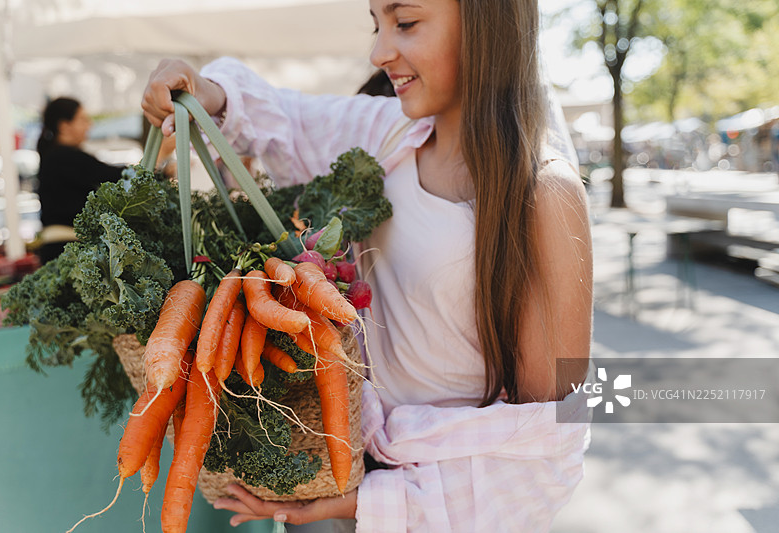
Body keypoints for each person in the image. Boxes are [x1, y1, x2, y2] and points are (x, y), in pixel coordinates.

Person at [142, 1, 594, 531]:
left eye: (405, 23)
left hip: (441, 511)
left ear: (486, 22)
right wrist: (201, 86)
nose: (379, 51)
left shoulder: (546, 193)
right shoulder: (389, 134)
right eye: (375, 24)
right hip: (344, 473)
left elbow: (549, 443)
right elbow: (285, 116)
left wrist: (367, 503)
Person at [35, 97, 123, 262]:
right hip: (65, 249)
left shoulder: (54, 156)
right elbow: (116, 176)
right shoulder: (64, 157)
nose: (89, 124)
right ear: (64, 126)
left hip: (60, 249)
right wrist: (157, 160)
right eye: (82, 119)